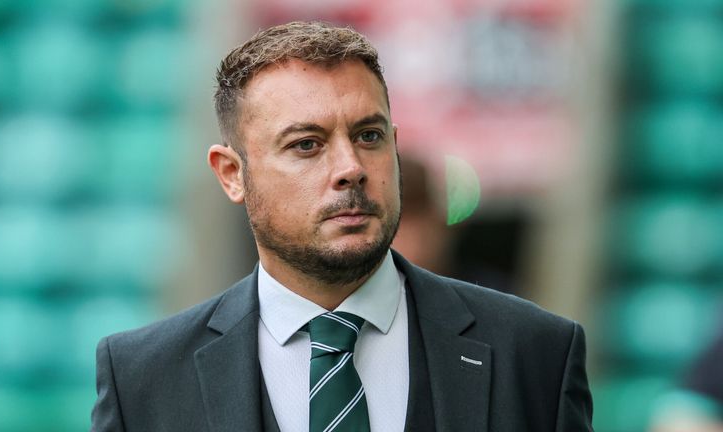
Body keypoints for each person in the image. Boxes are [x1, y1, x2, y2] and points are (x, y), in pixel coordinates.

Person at [90, 21, 593, 431]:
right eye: (307, 144)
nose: (351, 166)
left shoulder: (534, 354)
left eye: (369, 135)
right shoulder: (143, 379)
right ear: (232, 174)